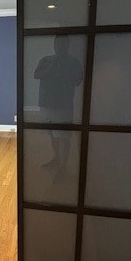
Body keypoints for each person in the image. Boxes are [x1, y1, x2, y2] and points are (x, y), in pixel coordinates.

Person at [34, 35, 83, 182]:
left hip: (63, 105)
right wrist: (51, 67)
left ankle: (63, 167)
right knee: (52, 134)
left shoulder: (74, 62)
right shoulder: (46, 59)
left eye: (63, 44)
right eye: (57, 43)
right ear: (54, 44)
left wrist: (61, 71)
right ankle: (56, 158)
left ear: (67, 45)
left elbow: (77, 81)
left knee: (64, 137)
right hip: (46, 103)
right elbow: (36, 75)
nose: (60, 46)